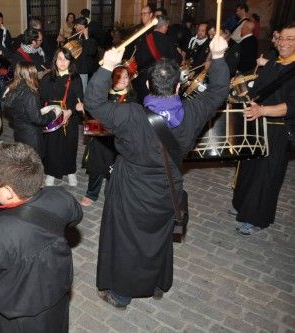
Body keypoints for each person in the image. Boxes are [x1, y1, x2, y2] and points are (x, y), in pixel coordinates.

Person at [84, 35, 229, 307]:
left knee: (126, 240)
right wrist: (219, 57)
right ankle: (156, 284)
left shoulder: (129, 115)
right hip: (166, 187)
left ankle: (122, 293)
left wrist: (107, 67)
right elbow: (219, 91)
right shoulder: (194, 111)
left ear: (148, 85)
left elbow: (93, 103)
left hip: (130, 187)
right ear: (179, 86)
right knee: (157, 237)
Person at [0, 142, 83, 333]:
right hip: (57, 295)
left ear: (9, 192)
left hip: (20, 313)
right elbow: (76, 216)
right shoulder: (61, 196)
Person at [231, 23, 295, 235]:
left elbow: (291, 106)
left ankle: (255, 218)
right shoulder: (273, 64)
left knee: (265, 176)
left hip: (278, 131)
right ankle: (243, 207)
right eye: (282, 38)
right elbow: (257, 91)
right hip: (259, 126)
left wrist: (263, 110)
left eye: (291, 39)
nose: (284, 42)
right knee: (249, 169)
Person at [81, 66, 133, 206]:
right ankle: (92, 193)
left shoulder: (132, 98)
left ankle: (112, 193)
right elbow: (91, 121)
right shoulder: (103, 95)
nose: (122, 80)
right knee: (96, 166)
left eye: (125, 76)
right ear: (111, 79)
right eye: (118, 76)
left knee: (115, 169)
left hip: (119, 140)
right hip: (100, 139)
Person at [2, 61, 71, 159]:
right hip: (31, 137)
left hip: (19, 132)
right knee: (34, 164)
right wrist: (53, 113)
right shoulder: (30, 93)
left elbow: (8, 110)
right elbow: (38, 120)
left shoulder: (12, 89)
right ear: (32, 73)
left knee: (24, 161)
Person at [39, 47, 84, 186]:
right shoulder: (47, 78)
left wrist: (70, 111)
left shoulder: (76, 78)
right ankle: (51, 173)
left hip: (69, 115)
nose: (63, 62)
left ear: (70, 61)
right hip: (52, 115)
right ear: (55, 60)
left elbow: (79, 99)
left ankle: (70, 171)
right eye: (60, 59)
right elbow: (42, 98)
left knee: (70, 144)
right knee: (52, 145)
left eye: (66, 59)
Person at [133, 15, 182, 101]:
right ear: (163, 26)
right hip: (158, 81)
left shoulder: (144, 38)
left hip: (143, 80)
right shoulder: (167, 40)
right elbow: (176, 60)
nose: (167, 29)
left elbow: (138, 58)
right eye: (167, 26)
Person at [70, 17, 99, 91]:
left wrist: (86, 37)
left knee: (83, 89)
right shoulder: (75, 36)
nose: (74, 27)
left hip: (83, 69)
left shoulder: (90, 37)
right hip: (74, 68)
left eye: (76, 25)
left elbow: (91, 51)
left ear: (81, 26)